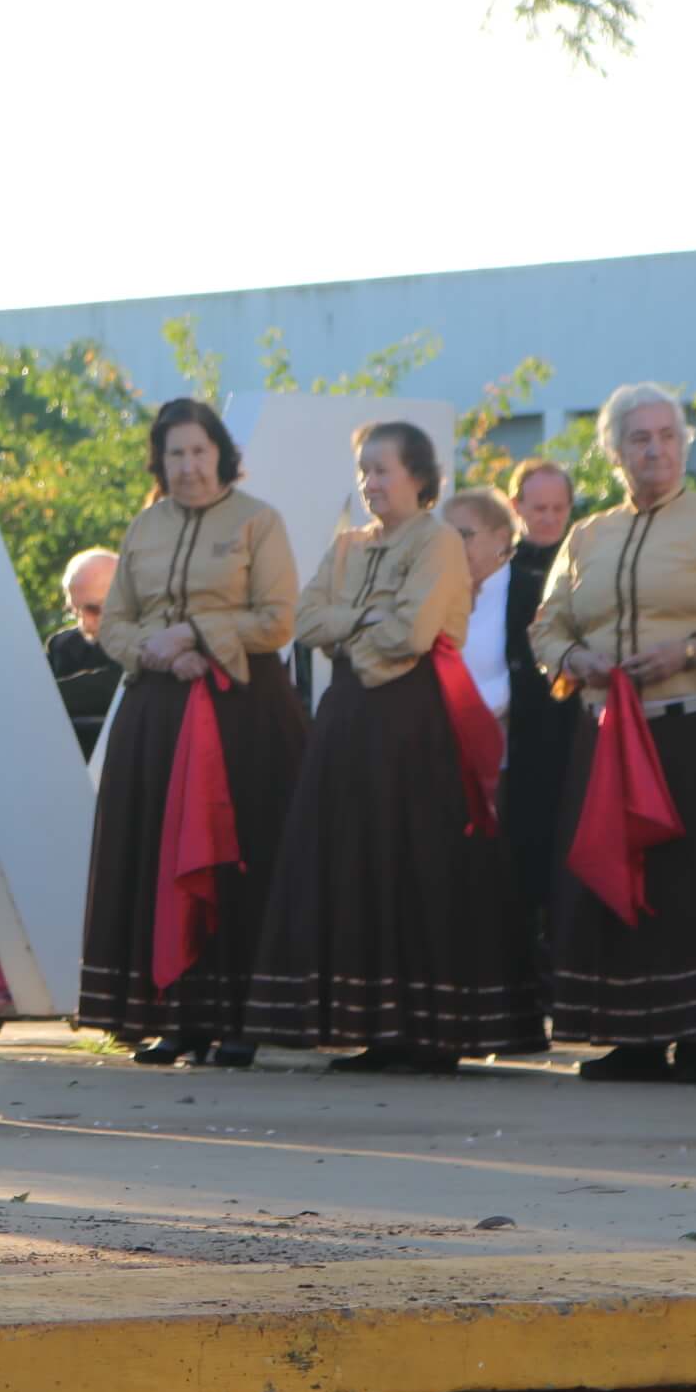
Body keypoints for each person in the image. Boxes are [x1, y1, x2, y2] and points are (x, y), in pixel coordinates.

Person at [245, 421, 543, 1074]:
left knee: (416, 866)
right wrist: (363, 626)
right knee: (357, 865)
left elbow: (412, 634)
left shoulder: (437, 540)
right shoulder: (349, 545)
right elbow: (307, 617)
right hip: (348, 723)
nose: (370, 483)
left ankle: (429, 1033)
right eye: (363, 470)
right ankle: (376, 1028)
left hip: (416, 722)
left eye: (382, 470)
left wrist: (354, 638)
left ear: (418, 476)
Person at [530, 385, 696, 1084]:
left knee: (693, 883)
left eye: (668, 435)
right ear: (614, 452)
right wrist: (572, 660)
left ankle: (693, 1035)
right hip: (608, 734)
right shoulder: (588, 534)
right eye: (639, 438)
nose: (656, 449)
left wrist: (689, 652)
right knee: (619, 877)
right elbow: (547, 624)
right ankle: (630, 1036)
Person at [73, 398, 305, 1068]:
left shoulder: (259, 521)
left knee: (235, 859)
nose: (189, 465)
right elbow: (113, 624)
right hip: (156, 713)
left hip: (241, 716)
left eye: (200, 451)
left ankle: (239, 1020)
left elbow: (277, 618)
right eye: (175, 453)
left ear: (222, 454)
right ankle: (177, 1021)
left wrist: (201, 633)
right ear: (160, 460)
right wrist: (160, 649)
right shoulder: (144, 527)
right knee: (157, 860)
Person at [501, 460, 578, 951]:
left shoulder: (586, 565)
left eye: (559, 508)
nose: (549, 518)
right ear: (516, 508)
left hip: (574, 721)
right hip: (518, 725)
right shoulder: (497, 572)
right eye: (539, 508)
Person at [443, 490, 520, 722]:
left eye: (464, 534)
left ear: (502, 538)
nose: (453, 545)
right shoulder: (438, 593)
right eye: (446, 536)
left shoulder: (527, 594)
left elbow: (527, 676)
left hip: (506, 738)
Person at [47, 547, 123, 760]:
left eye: (94, 609)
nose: (84, 623)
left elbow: (117, 685)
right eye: (74, 611)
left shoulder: (156, 641)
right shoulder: (63, 647)